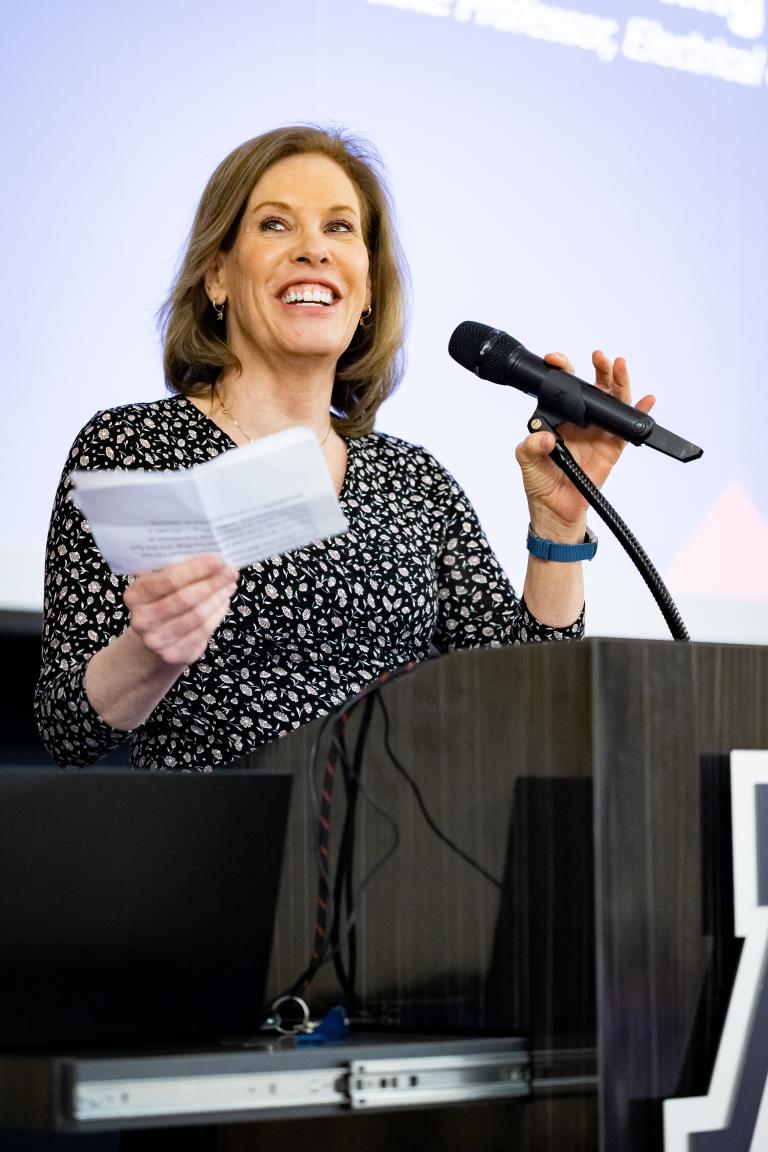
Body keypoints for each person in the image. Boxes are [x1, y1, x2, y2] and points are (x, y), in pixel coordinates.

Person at [34, 124, 654, 772]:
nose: (314, 251)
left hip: (401, 863)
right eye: (276, 225)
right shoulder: (133, 446)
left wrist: (559, 523)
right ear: (217, 275)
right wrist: (150, 654)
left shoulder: (415, 482)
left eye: (339, 228)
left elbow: (530, 699)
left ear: (365, 292)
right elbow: (67, 729)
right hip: (212, 851)